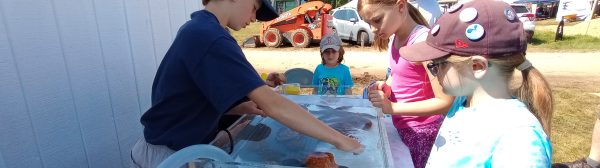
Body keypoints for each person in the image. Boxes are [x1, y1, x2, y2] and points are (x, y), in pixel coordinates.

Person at [130, 0, 362, 167]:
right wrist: (341, 140)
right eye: (254, 7)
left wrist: (244, 102)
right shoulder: (210, 37)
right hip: (169, 156)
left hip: (176, 147)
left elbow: (196, 94)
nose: (253, 18)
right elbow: (274, 105)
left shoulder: (199, 29)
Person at [396, 0, 553, 166]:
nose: (433, 74)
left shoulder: (519, 139)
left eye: (436, 66)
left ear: (477, 67)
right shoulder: (462, 103)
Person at [357, 0, 454, 167]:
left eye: (377, 20)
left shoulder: (422, 42)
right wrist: (386, 86)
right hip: (404, 129)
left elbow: (445, 101)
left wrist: (392, 108)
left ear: (400, 6)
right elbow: (400, 75)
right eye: (368, 23)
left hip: (422, 134)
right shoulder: (396, 38)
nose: (372, 29)